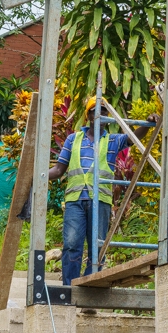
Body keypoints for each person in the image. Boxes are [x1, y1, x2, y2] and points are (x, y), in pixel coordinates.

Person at [48, 97, 129, 284]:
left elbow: (133, 140)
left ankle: (89, 285)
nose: (99, 114)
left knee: (97, 247)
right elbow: (59, 169)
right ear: (88, 115)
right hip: (75, 200)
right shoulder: (73, 139)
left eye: (103, 110)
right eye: (94, 110)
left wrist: (148, 124)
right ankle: (69, 288)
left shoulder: (113, 141)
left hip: (100, 200)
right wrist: (39, 175)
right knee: (71, 244)